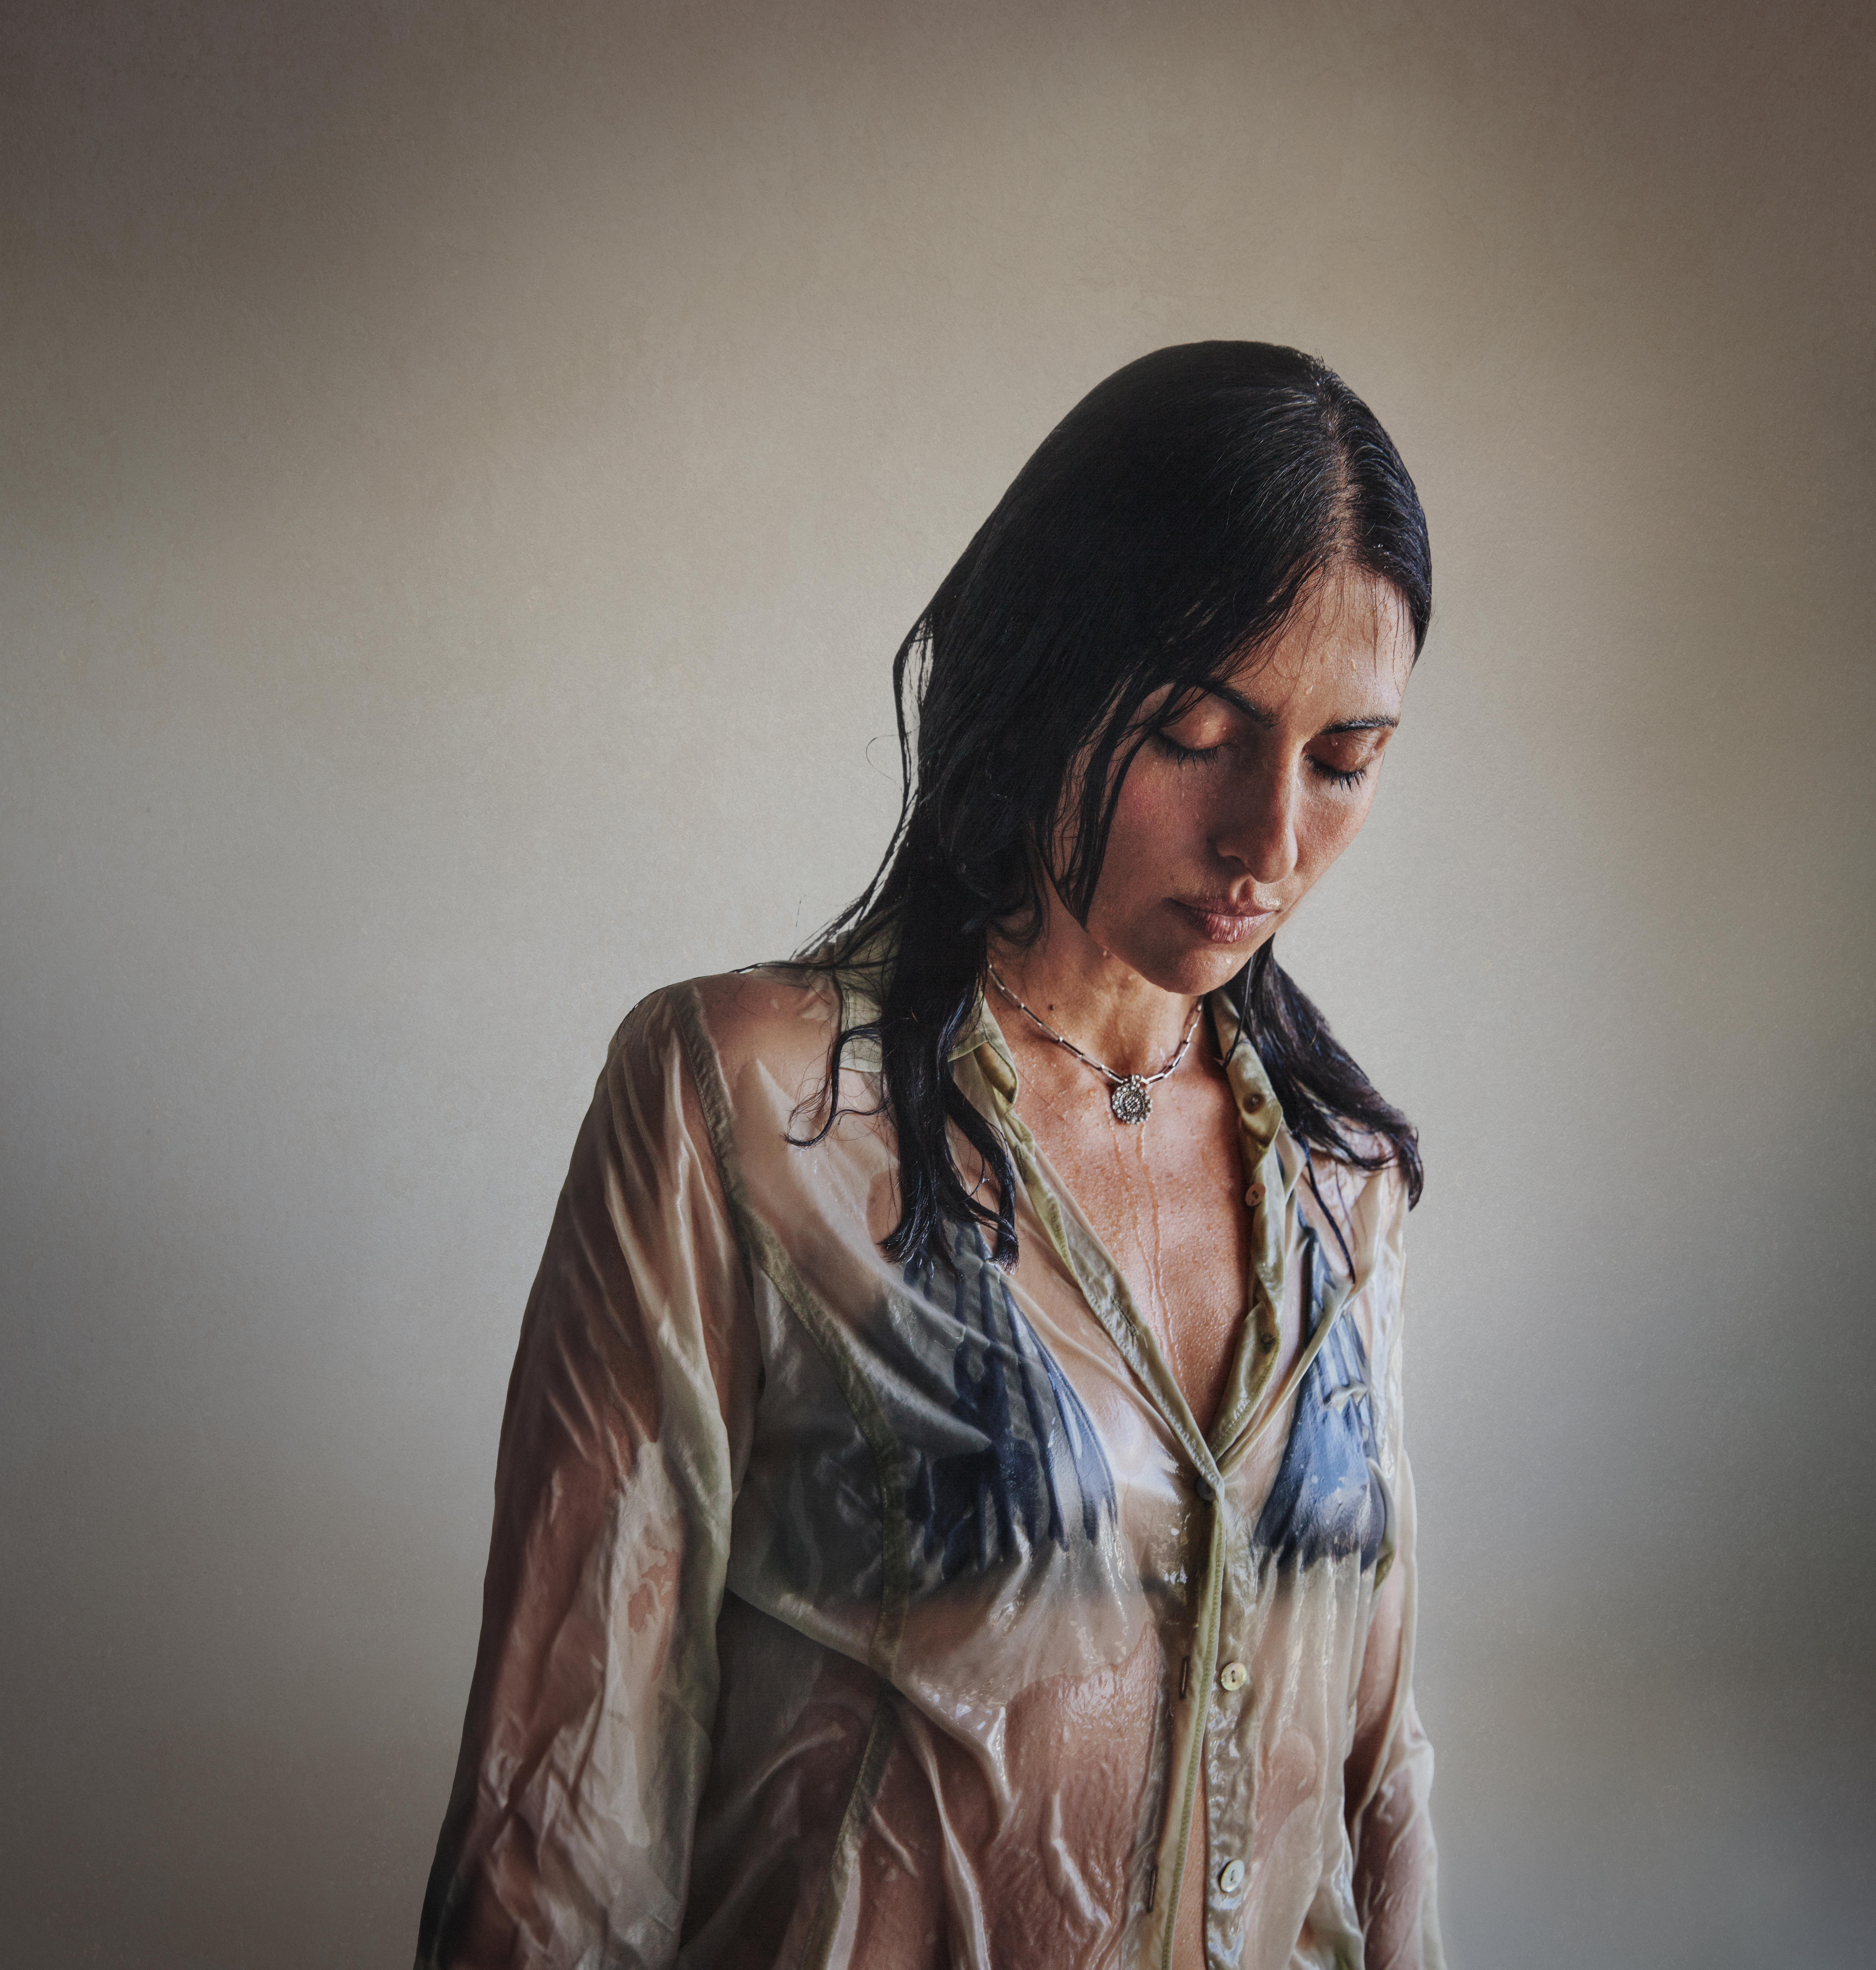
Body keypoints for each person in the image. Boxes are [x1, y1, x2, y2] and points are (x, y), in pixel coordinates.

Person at [416, 341, 1444, 1970]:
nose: (1269, 842)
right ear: (1042, 682)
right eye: (1193, 731)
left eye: (1342, 761)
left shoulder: (1340, 1182)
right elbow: (557, 1806)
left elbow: (1378, 1780)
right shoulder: (740, 1103)